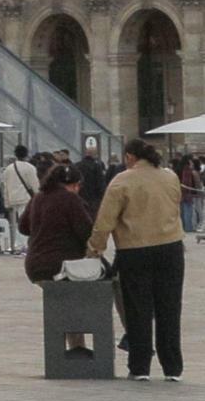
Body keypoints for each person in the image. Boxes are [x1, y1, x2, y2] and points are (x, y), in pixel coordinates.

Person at [86, 139, 184, 382]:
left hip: (134, 250)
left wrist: (95, 249)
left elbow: (105, 221)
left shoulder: (122, 181)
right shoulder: (170, 177)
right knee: (169, 307)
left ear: (129, 157)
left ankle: (140, 367)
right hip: (170, 247)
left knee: (138, 309)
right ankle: (172, 367)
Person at [19, 163, 96, 357]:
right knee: (79, 298)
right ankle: (77, 348)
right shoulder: (71, 199)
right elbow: (86, 231)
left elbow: (23, 227)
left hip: (35, 265)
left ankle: (74, 347)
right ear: (74, 185)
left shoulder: (37, 198)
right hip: (63, 266)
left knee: (66, 303)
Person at [0, 145, 39, 256]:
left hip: (13, 198)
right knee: (25, 221)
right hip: (25, 198)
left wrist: (6, 201)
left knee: (15, 222)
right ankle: (24, 245)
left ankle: (17, 245)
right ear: (26, 154)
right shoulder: (30, 168)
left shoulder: (9, 169)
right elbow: (35, 185)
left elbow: (5, 186)